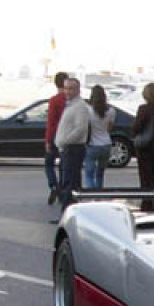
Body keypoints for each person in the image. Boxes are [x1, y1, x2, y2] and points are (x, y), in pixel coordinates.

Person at [53, 77, 90, 213]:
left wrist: (64, 141)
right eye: (66, 88)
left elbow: (81, 129)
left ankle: (68, 214)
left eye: (71, 88)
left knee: (70, 184)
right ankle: (68, 212)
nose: (67, 91)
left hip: (73, 149)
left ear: (78, 90)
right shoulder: (71, 105)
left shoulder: (80, 106)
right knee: (67, 183)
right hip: (67, 149)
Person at [132, 82, 154, 211]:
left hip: (145, 147)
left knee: (145, 177)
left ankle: (146, 203)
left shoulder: (143, 109)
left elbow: (136, 127)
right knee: (153, 176)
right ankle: (152, 202)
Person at [43, 71, 68, 205]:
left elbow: (51, 122)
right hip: (67, 137)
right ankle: (63, 190)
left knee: (48, 164)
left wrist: (48, 140)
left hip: (54, 136)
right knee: (63, 166)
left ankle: (54, 185)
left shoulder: (54, 100)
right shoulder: (70, 100)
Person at [83, 85, 113, 191]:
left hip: (92, 145)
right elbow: (109, 128)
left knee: (89, 174)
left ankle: (91, 194)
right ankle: (99, 194)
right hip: (106, 144)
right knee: (100, 173)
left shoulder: (88, 110)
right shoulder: (111, 111)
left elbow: (85, 127)